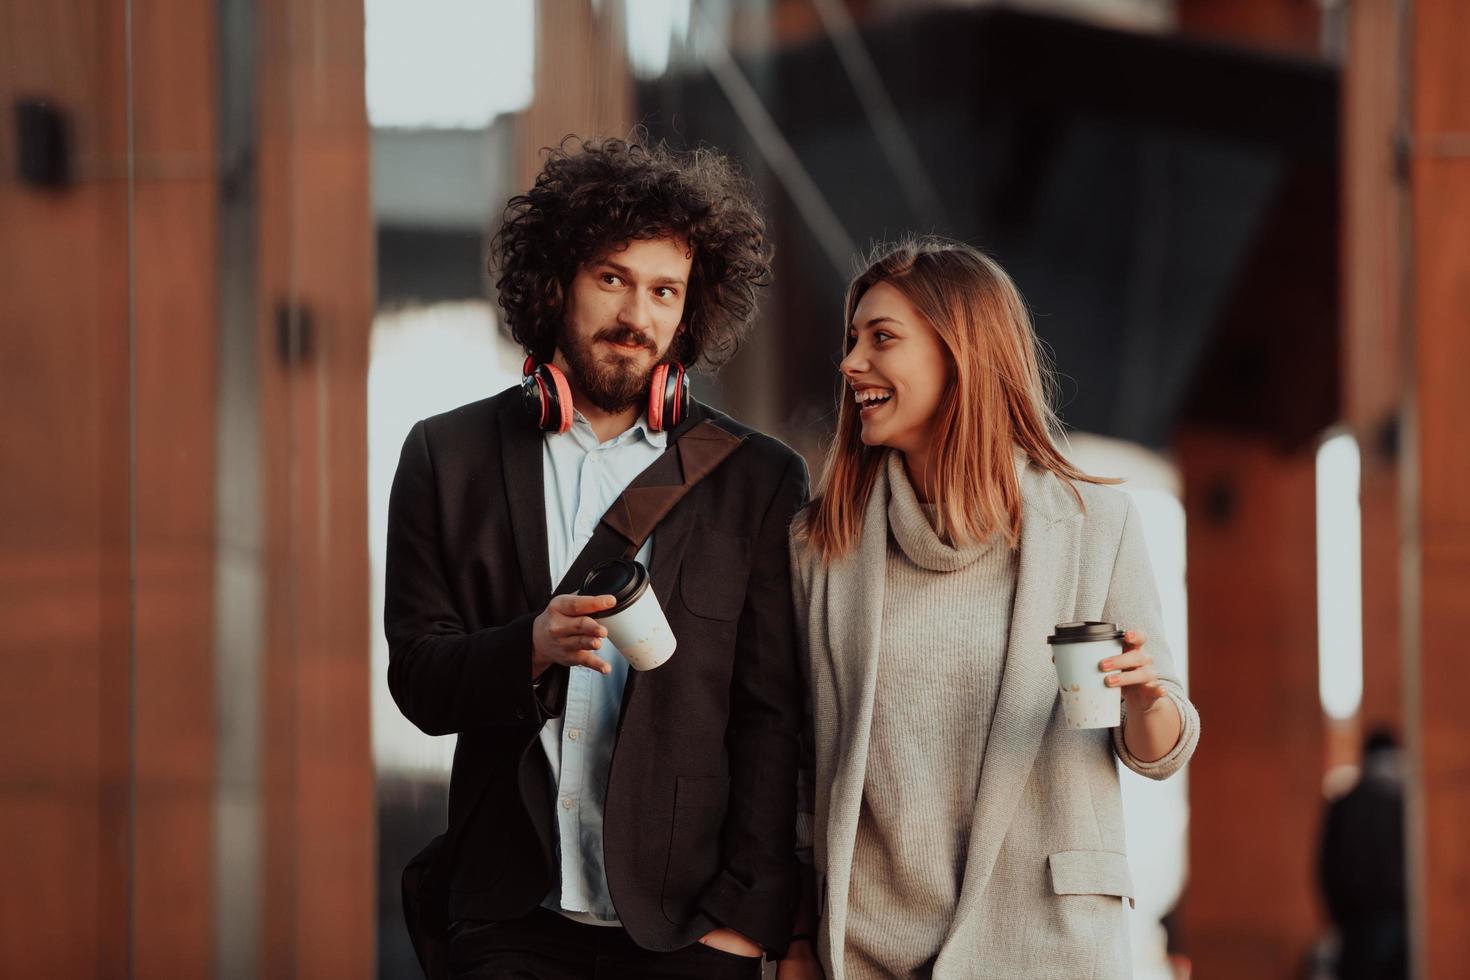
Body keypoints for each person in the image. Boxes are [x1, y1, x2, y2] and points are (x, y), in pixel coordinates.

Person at [386, 136, 808, 979]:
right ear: (557, 284)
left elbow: (773, 718)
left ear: (691, 312)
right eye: (611, 278)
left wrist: (743, 922)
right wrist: (530, 646)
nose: (636, 315)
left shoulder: (759, 478)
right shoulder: (447, 454)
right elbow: (420, 683)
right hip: (508, 917)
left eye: (664, 291)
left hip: (688, 933)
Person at [780, 237, 1202, 980]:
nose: (850, 364)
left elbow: (1160, 749)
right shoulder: (823, 547)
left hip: (1044, 945)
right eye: (852, 340)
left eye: (881, 339)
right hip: (868, 950)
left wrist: (1143, 693)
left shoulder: (1093, 524)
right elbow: (797, 766)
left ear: (960, 352)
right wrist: (796, 942)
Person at [1318, 729, 1408, 980]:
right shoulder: (1406, 803)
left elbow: (1326, 868)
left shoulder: (1344, 805)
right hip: (1398, 925)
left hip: (1355, 928)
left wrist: (1338, 920)